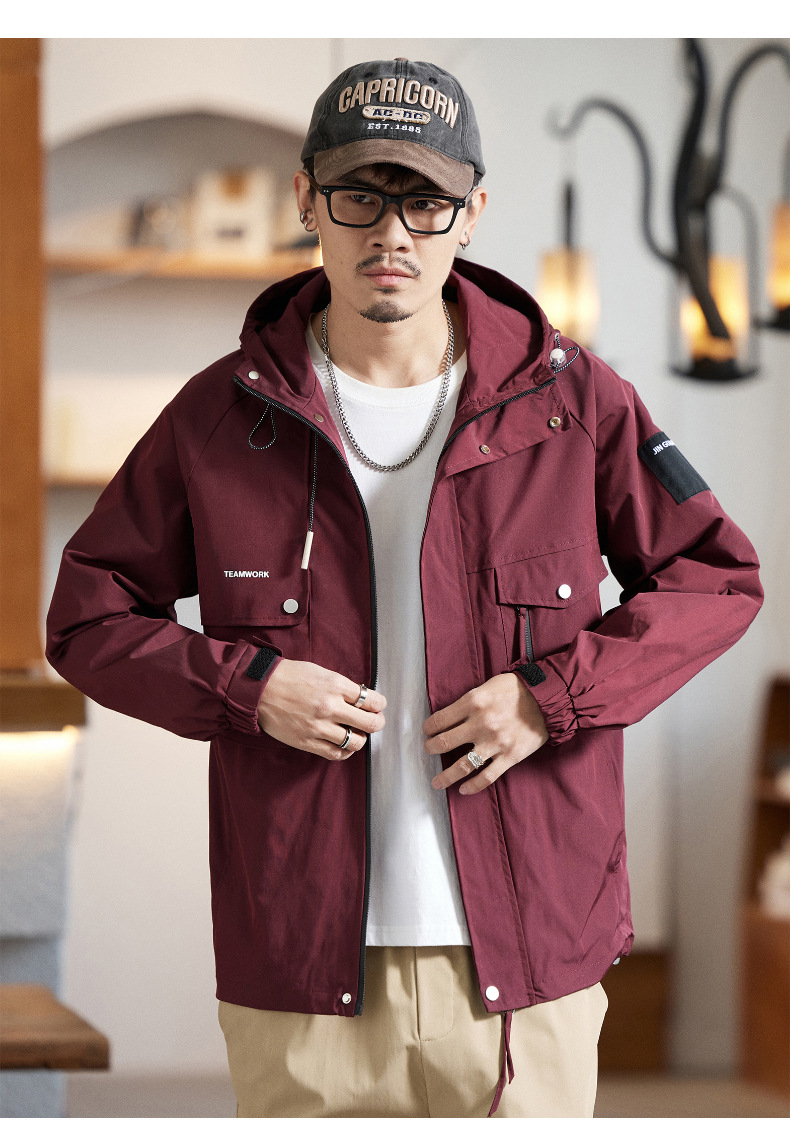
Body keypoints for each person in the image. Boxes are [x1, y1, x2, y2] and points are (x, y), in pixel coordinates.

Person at [46, 57, 764, 1118]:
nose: (392, 233)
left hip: (529, 956)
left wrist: (551, 697)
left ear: (472, 213)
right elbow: (88, 615)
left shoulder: (575, 403)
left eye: (425, 201)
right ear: (306, 202)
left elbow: (716, 579)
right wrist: (249, 689)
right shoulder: (219, 417)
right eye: (360, 196)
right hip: (301, 961)